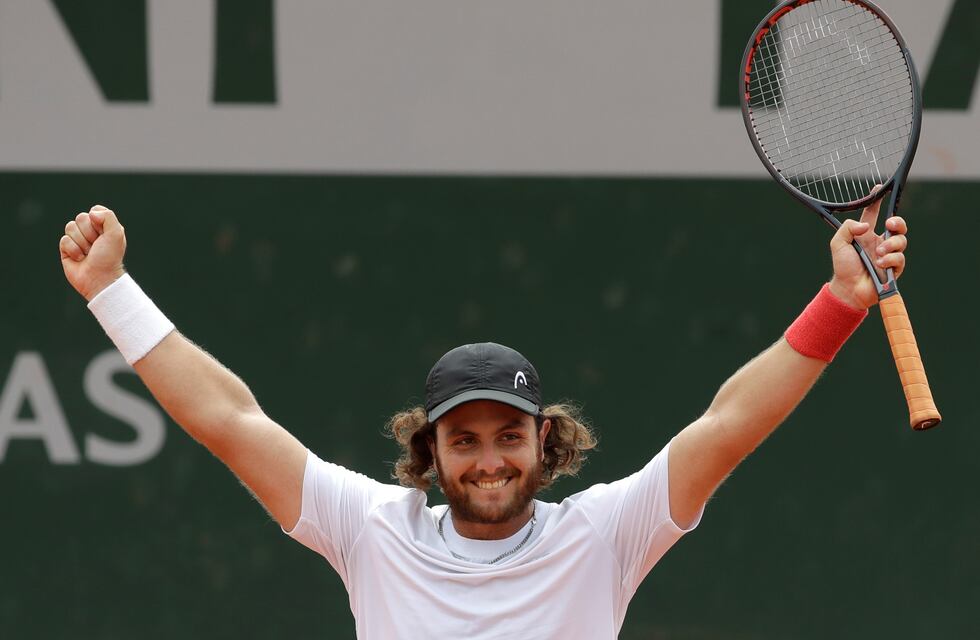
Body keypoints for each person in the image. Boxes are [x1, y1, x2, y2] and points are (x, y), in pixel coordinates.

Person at [59, 200, 909, 639]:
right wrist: (112, 292)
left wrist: (838, 302)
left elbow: (728, 425)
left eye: (509, 435)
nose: (490, 460)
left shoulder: (605, 535)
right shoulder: (372, 532)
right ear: (431, 452)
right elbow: (228, 419)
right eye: (464, 440)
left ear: (546, 442)